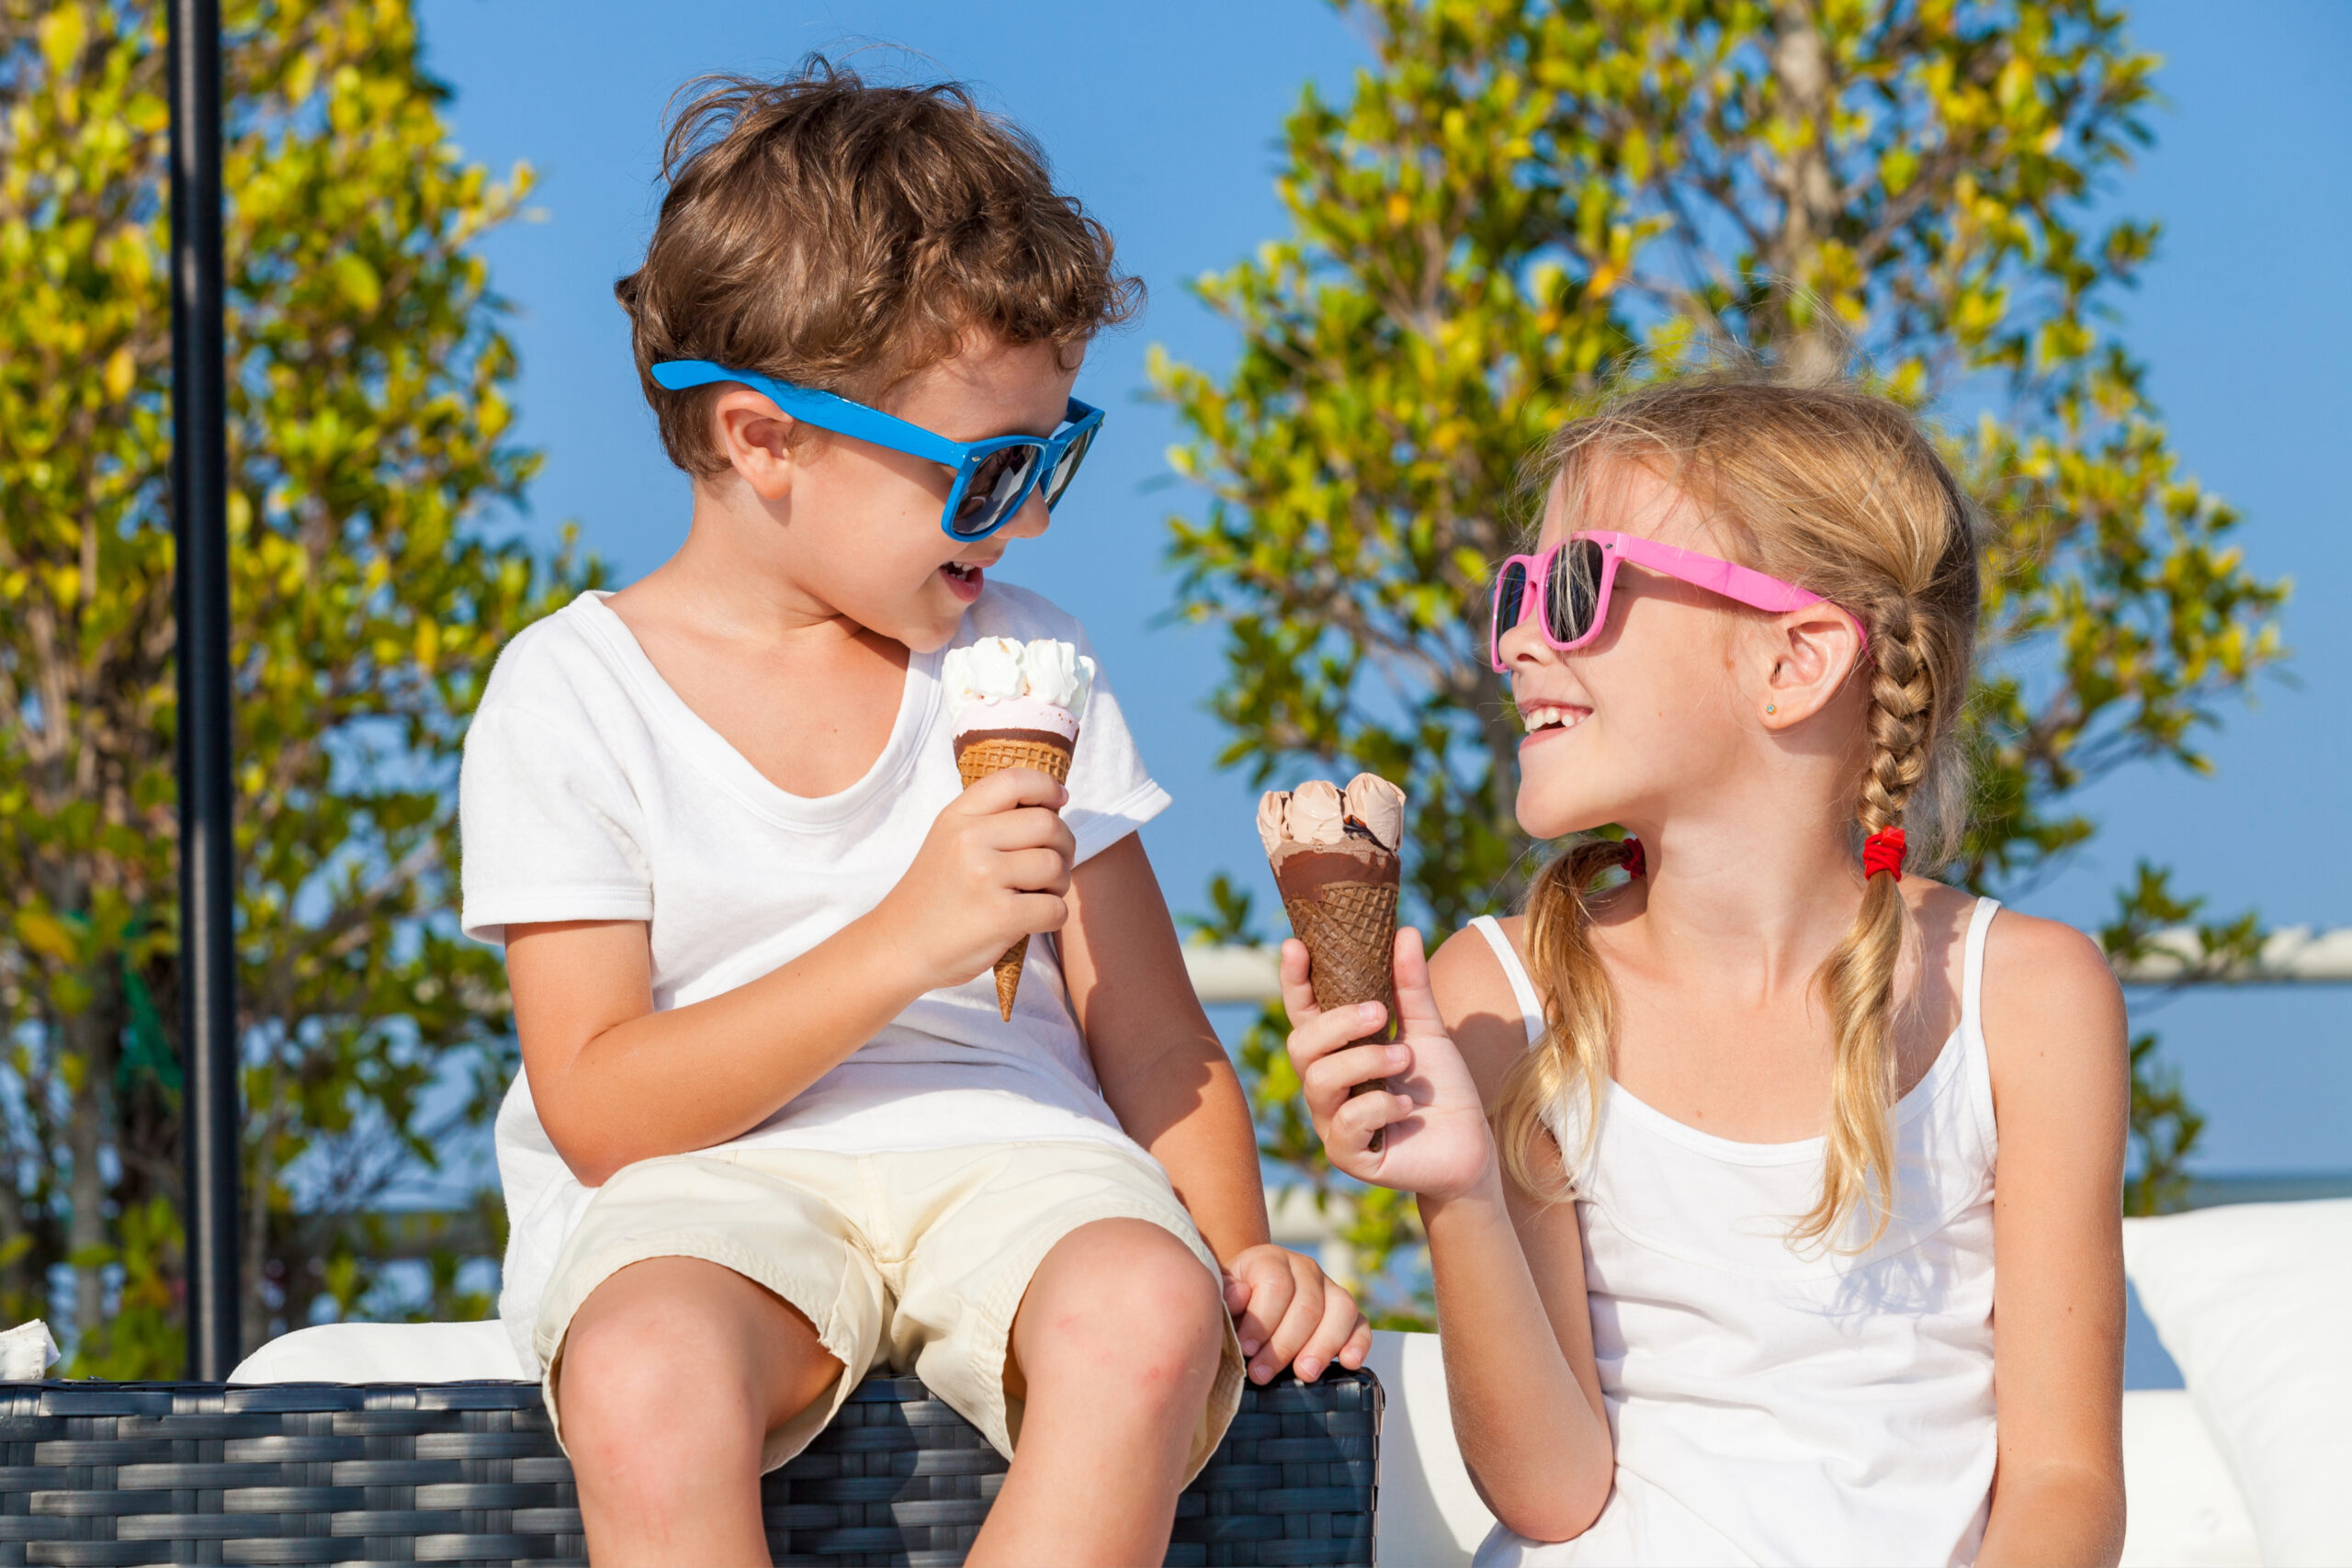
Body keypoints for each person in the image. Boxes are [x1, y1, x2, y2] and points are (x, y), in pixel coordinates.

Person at [458, 62, 1368, 1566]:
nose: (1031, 518)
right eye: (990, 468)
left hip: (1016, 1156)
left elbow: (1152, 1037)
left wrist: (1244, 1246)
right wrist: (901, 943)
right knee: (641, 1375)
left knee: (1151, 1313)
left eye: (1054, 453)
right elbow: (605, 1111)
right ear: (764, 441)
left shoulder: (1034, 666)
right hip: (702, 1181)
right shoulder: (573, 692)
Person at [1283, 373, 2129, 1565]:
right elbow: (1552, 1493)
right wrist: (1458, 1189)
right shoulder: (1501, 992)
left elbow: (2066, 1483)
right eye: (1517, 590)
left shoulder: (2028, 996)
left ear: (1796, 660)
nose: (1520, 637)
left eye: (1577, 587)